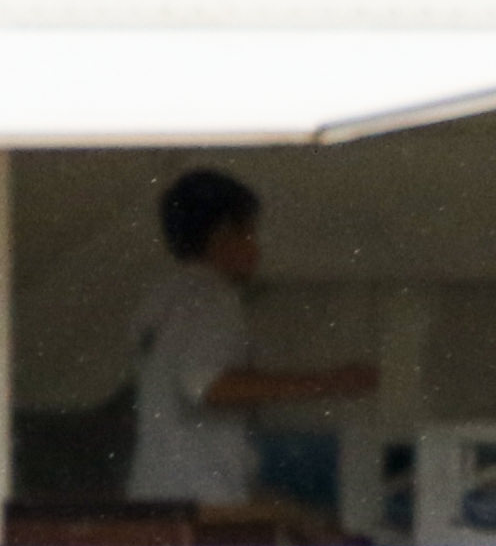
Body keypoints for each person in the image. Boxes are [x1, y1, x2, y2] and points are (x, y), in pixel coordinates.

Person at [127, 169, 376, 505]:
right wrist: (330, 383)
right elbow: (207, 385)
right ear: (223, 233)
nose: (256, 250)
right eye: (250, 234)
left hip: (154, 494)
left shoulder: (160, 298)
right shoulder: (213, 297)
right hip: (204, 500)